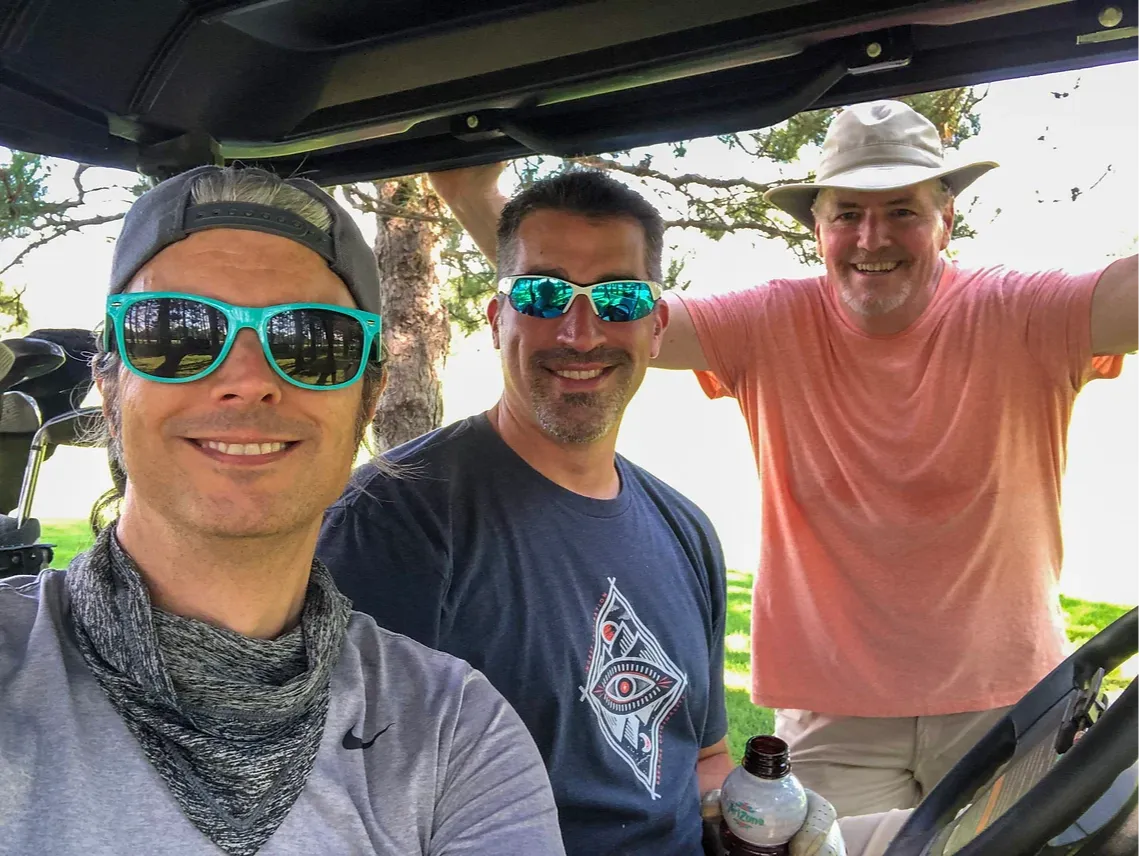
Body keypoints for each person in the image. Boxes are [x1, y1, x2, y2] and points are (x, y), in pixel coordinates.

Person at [425, 100, 1133, 816]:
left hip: (1008, 694)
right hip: (831, 708)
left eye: (902, 211)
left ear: (945, 219)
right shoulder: (770, 322)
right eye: (847, 213)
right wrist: (471, 196)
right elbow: (604, 310)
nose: (872, 237)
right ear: (816, 227)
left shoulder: (1025, 312)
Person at [0, 164, 565, 855]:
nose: (247, 381)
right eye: (176, 334)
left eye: (311, 342)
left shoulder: (455, 732)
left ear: (368, 397)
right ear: (111, 389)